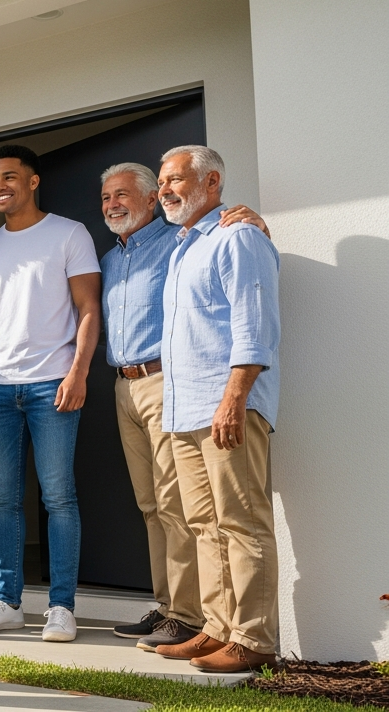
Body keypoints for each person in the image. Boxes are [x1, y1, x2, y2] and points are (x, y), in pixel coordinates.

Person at [97, 162, 270, 653]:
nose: (112, 204)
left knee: (183, 506)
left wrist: (256, 222)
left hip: (168, 382)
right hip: (126, 385)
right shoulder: (111, 259)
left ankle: (191, 616)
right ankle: (176, 607)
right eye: (106, 197)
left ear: (151, 200)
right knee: (156, 506)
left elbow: (236, 256)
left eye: (123, 194)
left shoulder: (178, 240)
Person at [0, 144, 101, 643]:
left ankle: (62, 607)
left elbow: (89, 308)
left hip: (52, 384)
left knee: (58, 495)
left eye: (9, 177)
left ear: (33, 181)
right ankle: (8, 602)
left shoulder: (69, 233)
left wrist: (79, 372)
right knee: (3, 498)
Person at [151, 145, 281, 673]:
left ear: (212, 183)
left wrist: (234, 400)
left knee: (242, 522)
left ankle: (254, 639)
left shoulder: (238, 236)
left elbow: (254, 325)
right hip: (184, 410)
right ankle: (218, 628)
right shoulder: (183, 247)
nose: (164, 190)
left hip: (225, 407)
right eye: (162, 181)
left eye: (175, 179)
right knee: (204, 524)